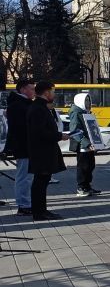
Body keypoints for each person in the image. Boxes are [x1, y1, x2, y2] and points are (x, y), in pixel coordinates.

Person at [26, 81, 66, 221]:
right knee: (40, 182)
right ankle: (39, 212)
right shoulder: (38, 108)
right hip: (41, 152)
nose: (54, 94)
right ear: (46, 92)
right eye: (53, 91)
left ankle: (42, 210)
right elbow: (40, 132)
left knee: (43, 181)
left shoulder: (41, 107)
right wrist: (59, 136)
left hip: (43, 151)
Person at [3, 80, 34, 214]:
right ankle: (23, 205)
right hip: (23, 146)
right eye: (31, 88)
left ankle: (25, 203)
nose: (33, 91)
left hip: (26, 146)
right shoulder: (18, 105)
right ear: (22, 90)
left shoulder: (22, 104)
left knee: (27, 176)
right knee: (24, 177)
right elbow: (20, 129)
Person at [65, 92, 101, 197]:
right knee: (83, 166)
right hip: (82, 145)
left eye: (89, 100)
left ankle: (87, 186)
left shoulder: (86, 112)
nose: (88, 103)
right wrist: (87, 143)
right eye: (86, 101)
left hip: (89, 144)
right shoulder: (76, 113)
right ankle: (81, 187)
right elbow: (75, 131)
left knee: (90, 165)